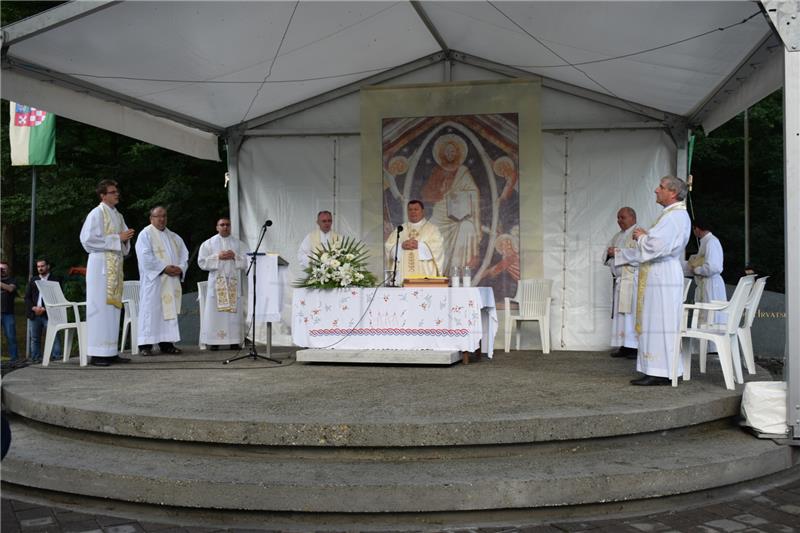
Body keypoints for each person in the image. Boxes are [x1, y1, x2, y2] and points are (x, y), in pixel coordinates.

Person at [611, 176, 691, 386]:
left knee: (661, 323)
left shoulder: (674, 217)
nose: (656, 190)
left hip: (663, 274)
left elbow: (655, 247)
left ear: (672, 192)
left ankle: (662, 371)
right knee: (655, 321)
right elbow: (657, 243)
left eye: (661, 187)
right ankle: (659, 368)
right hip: (659, 272)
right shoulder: (671, 216)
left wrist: (641, 236)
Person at [79, 180, 135, 367]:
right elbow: (87, 240)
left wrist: (125, 240)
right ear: (103, 195)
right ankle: (97, 353)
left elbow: (124, 241)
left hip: (115, 265)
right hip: (100, 265)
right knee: (100, 308)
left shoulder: (118, 216)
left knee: (113, 308)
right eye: (112, 192)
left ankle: (110, 351)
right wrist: (118, 238)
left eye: (116, 191)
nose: (116, 194)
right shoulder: (96, 214)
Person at [421, 134, 481, 275]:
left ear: (458, 153)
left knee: (468, 227)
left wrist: (458, 195)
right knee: (430, 234)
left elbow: (474, 191)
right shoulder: (438, 171)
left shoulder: (462, 171)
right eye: (447, 151)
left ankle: (456, 272)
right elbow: (427, 192)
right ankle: (436, 273)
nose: (450, 154)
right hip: (441, 210)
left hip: (459, 213)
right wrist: (440, 190)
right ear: (442, 153)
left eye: (453, 151)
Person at [136, 206, 189, 356]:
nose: (162, 219)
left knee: (168, 312)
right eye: (158, 216)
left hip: (170, 281)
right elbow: (145, 256)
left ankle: (167, 343)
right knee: (150, 311)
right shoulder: (145, 234)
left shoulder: (174, 236)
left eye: (164, 216)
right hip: (154, 281)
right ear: (151, 218)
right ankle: (145, 345)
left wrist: (180, 268)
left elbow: (184, 254)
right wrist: (163, 268)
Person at [197, 218, 247, 351]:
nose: (225, 227)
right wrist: (217, 257)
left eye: (227, 225)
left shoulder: (239, 244)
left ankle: (234, 340)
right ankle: (213, 341)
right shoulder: (208, 244)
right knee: (215, 312)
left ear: (230, 227)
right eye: (222, 225)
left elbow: (247, 261)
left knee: (233, 313)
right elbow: (201, 262)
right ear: (217, 227)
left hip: (232, 283)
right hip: (216, 283)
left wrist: (234, 256)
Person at [603, 207, 639, 359]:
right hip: (620, 281)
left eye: (622, 217)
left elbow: (639, 255)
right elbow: (606, 253)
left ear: (632, 217)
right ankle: (624, 345)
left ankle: (635, 347)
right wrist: (611, 253)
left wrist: (616, 252)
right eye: (618, 218)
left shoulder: (639, 233)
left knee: (631, 315)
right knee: (621, 315)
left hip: (632, 281)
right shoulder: (617, 236)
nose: (619, 221)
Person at [385, 200, 444, 284]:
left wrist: (420, 246)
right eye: (410, 209)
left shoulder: (432, 229)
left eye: (416, 209)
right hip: (402, 275)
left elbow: (438, 247)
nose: (413, 212)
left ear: (423, 211)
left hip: (424, 274)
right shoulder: (400, 229)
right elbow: (389, 247)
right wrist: (401, 246)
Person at [685, 219, 726, 326]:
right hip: (706, 284)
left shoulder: (711, 242)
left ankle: (710, 342)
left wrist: (696, 270)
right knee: (706, 319)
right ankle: (704, 342)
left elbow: (713, 267)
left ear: (697, 229)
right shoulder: (706, 241)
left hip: (711, 285)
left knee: (711, 320)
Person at [24, 258, 63, 363]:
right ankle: (35, 358)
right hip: (34, 313)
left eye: (42, 266)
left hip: (50, 313)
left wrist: (45, 308)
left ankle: (57, 357)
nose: (40, 268)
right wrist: (34, 308)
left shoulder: (55, 280)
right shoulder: (33, 280)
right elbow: (27, 297)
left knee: (54, 336)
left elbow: (58, 297)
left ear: (48, 266)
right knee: (35, 338)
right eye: (38, 266)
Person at [1, 261, 19, 364]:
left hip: (8, 313)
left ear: (8, 270)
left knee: (11, 337)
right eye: (0, 269)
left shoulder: (12, 280)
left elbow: (10, 289)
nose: (2, 270)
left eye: (4, 269)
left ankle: (14, 359)